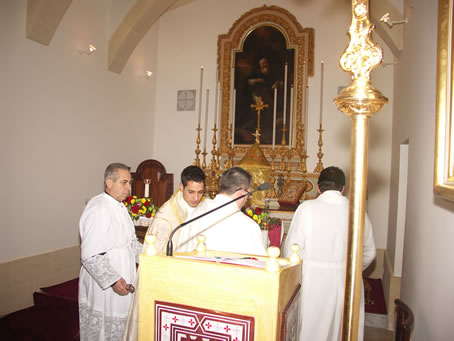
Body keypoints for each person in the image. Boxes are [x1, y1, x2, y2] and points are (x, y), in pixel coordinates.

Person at [282, 166, 376, 341]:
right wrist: (351, 268)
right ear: (343, 188)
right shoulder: (357, 210)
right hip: (349, 279)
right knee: (344, 330)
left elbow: (291, 250)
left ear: (318, 188)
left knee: (312, 329)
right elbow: (369, 252)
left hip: (313, 280)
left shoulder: (307, 208)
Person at [122, 165, 205, 341]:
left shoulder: (203, 206)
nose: (196, 198)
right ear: (181, 187)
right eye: (191, 192)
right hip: (169, 279)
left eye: (200, 192)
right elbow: (152, 257)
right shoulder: (166, 216)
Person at [79, 163, 142, 341]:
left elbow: (129, 243)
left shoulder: (120, 207)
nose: (129, 188)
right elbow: (91, 255)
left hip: (123, 273)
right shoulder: (98, 208)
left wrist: (150, 254)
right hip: (105, 282)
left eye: (129, 183)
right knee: (103, 331)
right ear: (109, 182)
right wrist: (113, 280)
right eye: (124, 182)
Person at [177, 167, 267, 256]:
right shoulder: (248, 226)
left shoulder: (196, 213)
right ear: (242, 193)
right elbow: (261, 264)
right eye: (249, 194)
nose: (247, 199)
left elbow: (179, 253)